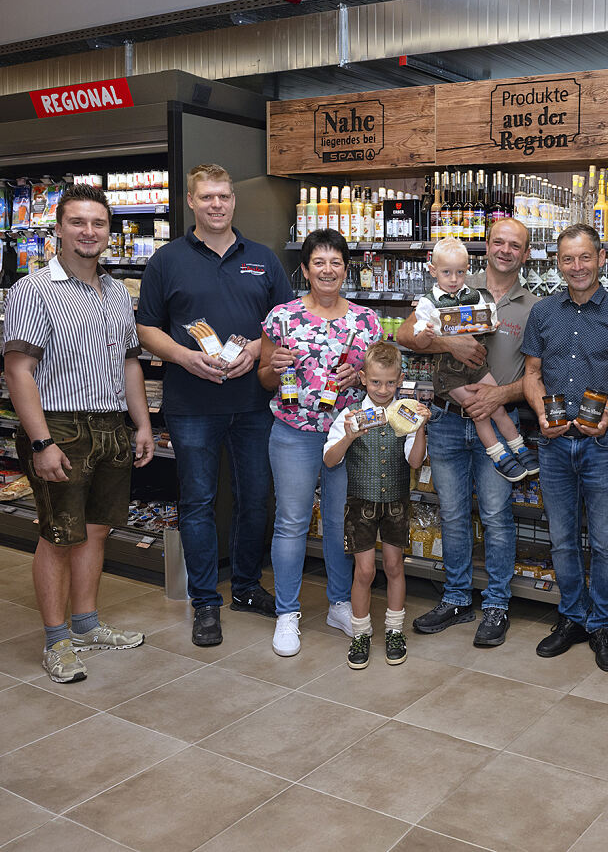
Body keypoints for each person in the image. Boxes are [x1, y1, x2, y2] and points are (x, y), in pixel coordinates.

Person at [4, 184, 154, 682]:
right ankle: (56, 640)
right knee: (58, 536)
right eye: (78, 222)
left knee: (96, 531)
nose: (89, 232)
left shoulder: (115, 291)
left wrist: (142, 424)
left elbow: (130, 364)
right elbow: (19, 370)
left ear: (109, 232)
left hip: (111, 424)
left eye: (98, 224)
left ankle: (87, 626)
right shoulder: (34, 289)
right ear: (58, 230)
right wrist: (42, 441)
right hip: (61, 425)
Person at [136, 163, 290, 647]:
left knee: (256, 497)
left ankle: (245, 586)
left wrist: (256, 351)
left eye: (224, 195)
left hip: (254, 403)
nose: (217, 204)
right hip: (191, 402)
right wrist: (184, 356)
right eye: (207, 197)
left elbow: (285, 324)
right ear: (191, 201)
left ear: (233, 201)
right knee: (198, 501)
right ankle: (206, 602)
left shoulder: (263, 259)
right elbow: (146, 327)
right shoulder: (166, 260)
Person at [399, 218, 536, 648]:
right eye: (499, 242)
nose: (506, 250)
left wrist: (498, 397)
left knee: (496, 516)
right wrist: (450, 344)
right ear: (486, 247)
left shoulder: (535, 305)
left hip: (494, 417)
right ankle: (457, 597)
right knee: (453, 515)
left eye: (516, 245)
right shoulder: (457, 280)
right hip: (444, 420)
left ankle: (496, 604)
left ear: (526, 254)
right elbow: (405, 335)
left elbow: (537, 375)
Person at [521, 223, 608, 671]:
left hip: (603, 443)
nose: (577, 267)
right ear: (558, 262)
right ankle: (572, 617)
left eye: (585, 257)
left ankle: (603, 624)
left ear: (601, 258)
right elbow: (532, 374)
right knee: (562, 539)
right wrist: (540, 414)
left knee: (607, 542)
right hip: (553, 444)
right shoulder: (543, 312)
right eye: (568, 259)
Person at [258, 228, 381, 657]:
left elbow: (378, 384)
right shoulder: (281, 317)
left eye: (335, 262)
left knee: (340, 524)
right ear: (306, 269)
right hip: (293, 432)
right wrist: (273, 366)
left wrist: (360, 376)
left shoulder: (367, 322)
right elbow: (263, 378)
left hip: (348, 434)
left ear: (347, 268)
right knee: (291, 522)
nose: (327, 270)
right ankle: (287, 613)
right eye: (318, 262)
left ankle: (339, 604)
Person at [323, 341, 430, 670]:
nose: (383, 389)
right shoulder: (348, 415)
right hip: (359, 504)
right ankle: (360, 633)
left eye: (389, 383)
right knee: (365, 571)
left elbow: (415, 462)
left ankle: (395, 631)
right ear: (363, 379)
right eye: (375, 382)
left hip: (396, 502)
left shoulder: (405, 414)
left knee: (395, 567)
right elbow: (329, 460)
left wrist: (420, 427)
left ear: (400, 380)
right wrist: (349, 436)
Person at [410, 237, 538, 482]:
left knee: (496, 407)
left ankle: (520, 448)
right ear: (433, 270)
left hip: (477, 366)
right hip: (450, 374)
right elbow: (419, 341)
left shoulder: (472, 295)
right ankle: (499, 455)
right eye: (447, 272)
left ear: (467, 270)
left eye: (460, 272)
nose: (454, 279)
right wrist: (428, 336)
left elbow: (484, 322)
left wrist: (491, 325)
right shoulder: (428, 302)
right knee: (479, 411)